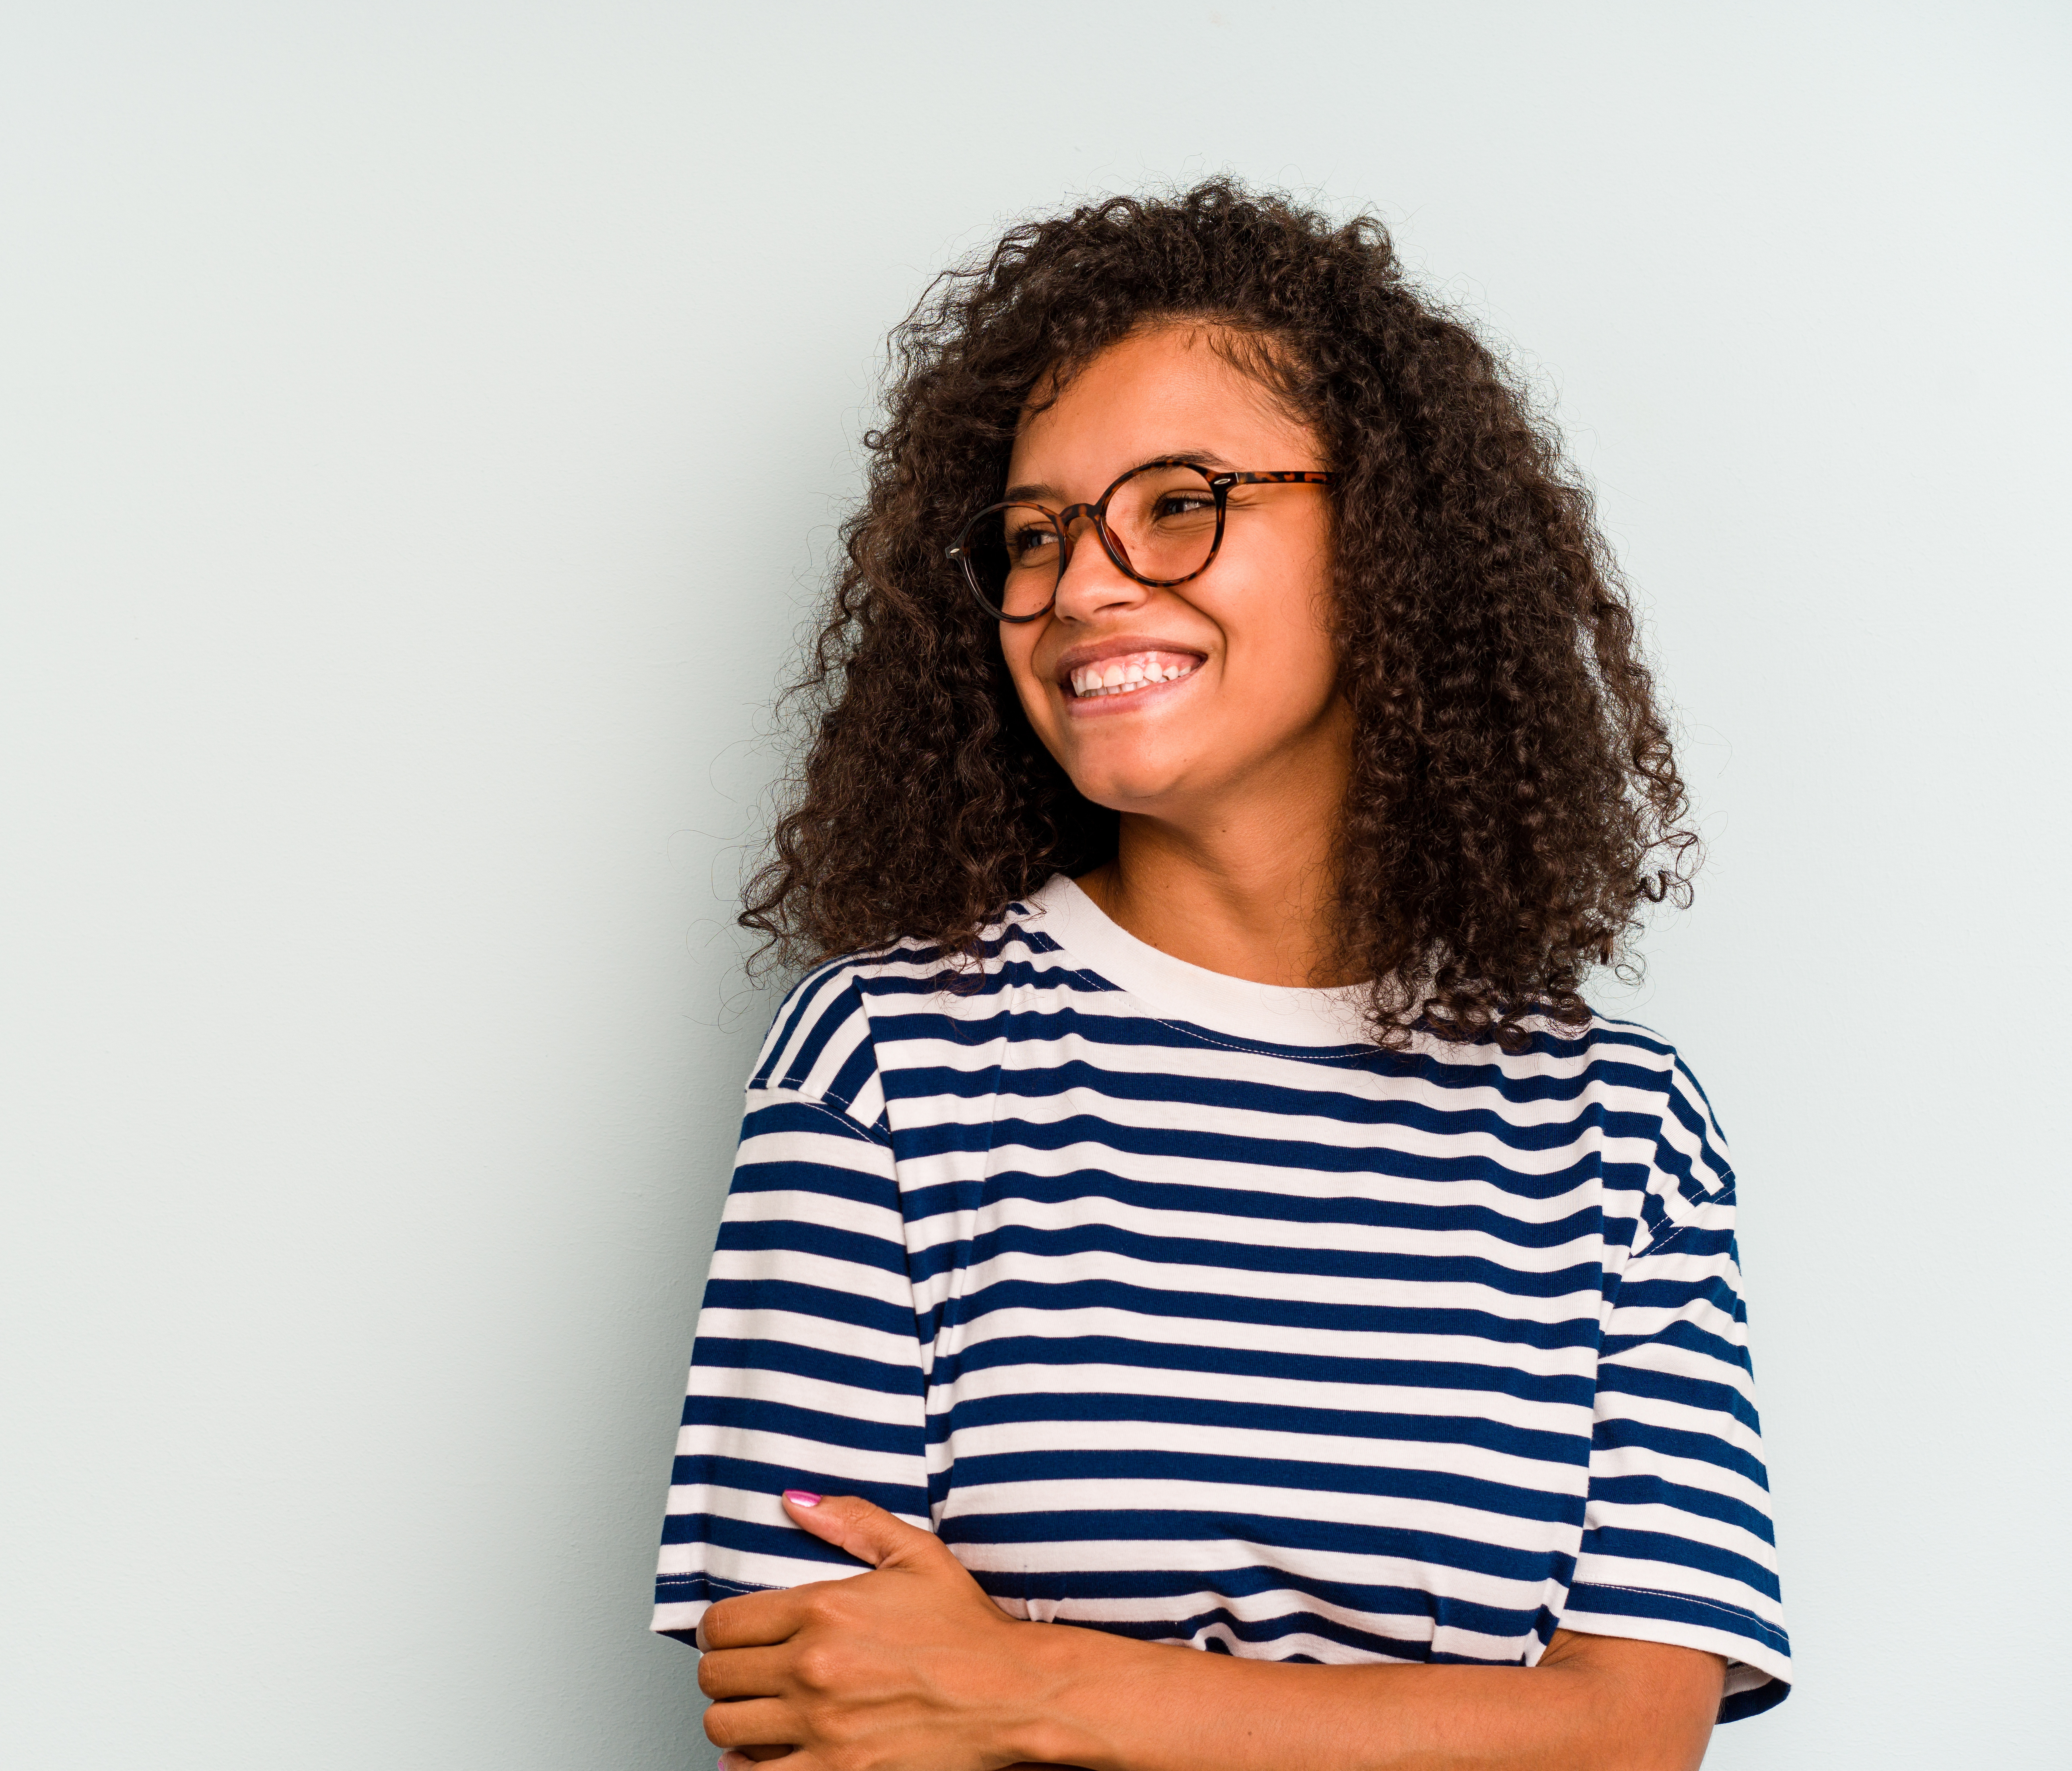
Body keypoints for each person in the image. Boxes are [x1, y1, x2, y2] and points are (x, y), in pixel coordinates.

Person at [651, 181, 1788, 1771]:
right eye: (1034, 535)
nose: (1085, 583)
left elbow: (1628, 1741)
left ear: (1389, 532)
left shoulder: (1621, 1138)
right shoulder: (882, 1067)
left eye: (1178, 501)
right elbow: (816, 1706)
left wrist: (1038, 1690)